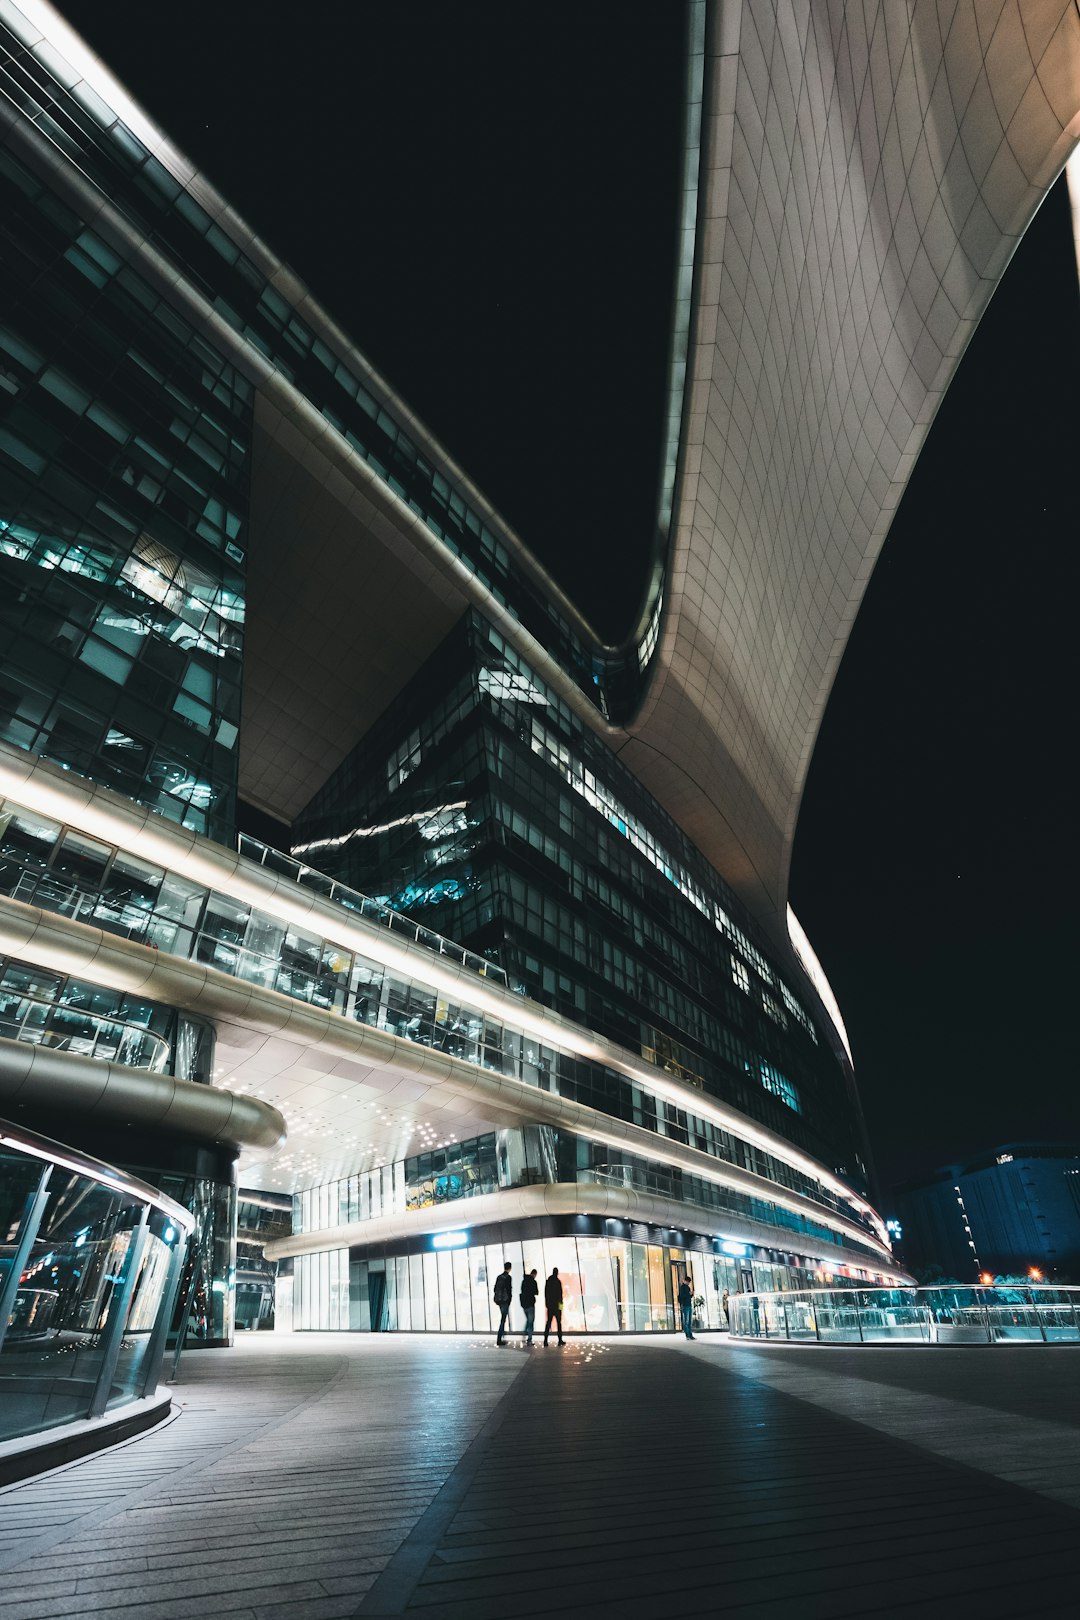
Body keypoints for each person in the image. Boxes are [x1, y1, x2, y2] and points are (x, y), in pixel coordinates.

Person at [492, 1261, 513, 1345]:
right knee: (503, 1319)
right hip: (505, 1301)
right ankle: (499, 1338)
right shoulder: (508, 1277)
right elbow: (509, 1290)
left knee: (503, 1318)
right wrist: (509, 1300)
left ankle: (502, 1335)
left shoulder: (499, 1277)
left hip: (499, 1301)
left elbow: (495, 1289)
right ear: (510, 1268)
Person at [543, 1266, 564, 1345]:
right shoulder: (558, 1282)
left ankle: (545, 1340)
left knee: (548, 1322)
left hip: (550, 1306)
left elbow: (546, 1294)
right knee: (559, 1323)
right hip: (556, 1306)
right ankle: (560, 1340)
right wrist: (561, 1307)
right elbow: (560, 1296)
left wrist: (547, 1304)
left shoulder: (548, 1281)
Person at [520, 1267, 539, 1345]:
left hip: (524, 1304)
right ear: (534, 1274)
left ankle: (525, 1333)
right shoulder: (533, 1282)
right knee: (531, 1322)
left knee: (528, 1320)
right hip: (531, 1304)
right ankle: (529, 1340)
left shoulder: (524, 1281)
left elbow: (522, 1290)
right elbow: (536, 1292)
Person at [678, 1274, 695, 1339]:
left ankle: (690, 1335)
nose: (688, 1283)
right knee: (686, 1321)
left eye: (689, 1282)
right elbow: (682, 1296)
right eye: (688, 1282)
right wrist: (689, 1294)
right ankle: (687, 1335)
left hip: (689, 1304)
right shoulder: (682, 1287)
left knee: (689, 1321)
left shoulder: (688, 1287)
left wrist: (691, 1294)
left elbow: (688, 1296)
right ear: (685, 1281)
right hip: (685, 1305)